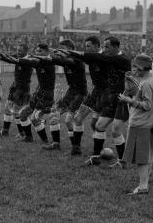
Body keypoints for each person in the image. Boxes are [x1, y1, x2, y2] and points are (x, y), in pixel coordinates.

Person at [69, 36, 131, 167]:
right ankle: (95, 157)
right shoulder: (108, 57)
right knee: (99, 126)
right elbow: (94, 58)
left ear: (115, 47)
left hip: (122, 100)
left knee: (115, 131)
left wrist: (73, 52)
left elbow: (100, 57)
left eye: (107, 46)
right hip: (110, 97)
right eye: (104, 46)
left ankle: (122, 161)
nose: (104, 49)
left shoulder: (123, 59)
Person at [117, 54, 153, 195]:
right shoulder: (149, 80)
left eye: (135, 67)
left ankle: (142, 187)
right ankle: (144, 184)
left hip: (140, 124)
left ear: (141, 67)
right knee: (145, 157)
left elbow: (147, 105)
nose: (133, 70)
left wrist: (129, 100)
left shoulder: (146, 83)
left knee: (141, 159)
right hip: (145, 124)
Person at [49, 39, 88, 153]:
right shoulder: (65, 60)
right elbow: (56, 60)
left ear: (70, 49)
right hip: (71, 92)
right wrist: (47, 55)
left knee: (69, 120)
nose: (60, 50)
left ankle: (76, 147)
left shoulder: (77, 59)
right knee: (54, 114)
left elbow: (68, 61)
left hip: (80, 93)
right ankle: (56, 144)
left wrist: (58, 54)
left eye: (63, 48)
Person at [68, 36, 104, 156]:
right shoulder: (90, 58)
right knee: (78, 118)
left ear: (97, 46)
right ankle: (76, 148)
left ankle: (99, 152)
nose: (86, 48)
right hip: (94, 92)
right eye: (86, 46)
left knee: (96, 124)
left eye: (88, 46)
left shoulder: (105, 58)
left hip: (105, 94)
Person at [0, 44, 33, 138]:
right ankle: (5, 131)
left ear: (26, 51)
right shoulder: (19, 56)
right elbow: (10, 56)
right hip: (15, 86)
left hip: (22, 88)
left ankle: (22, 133)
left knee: (16, 111)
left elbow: (10, 59)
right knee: (7, 108)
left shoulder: (28, 60)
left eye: (20, 51)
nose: (18, 52)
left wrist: (1, 57)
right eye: (17, 50)